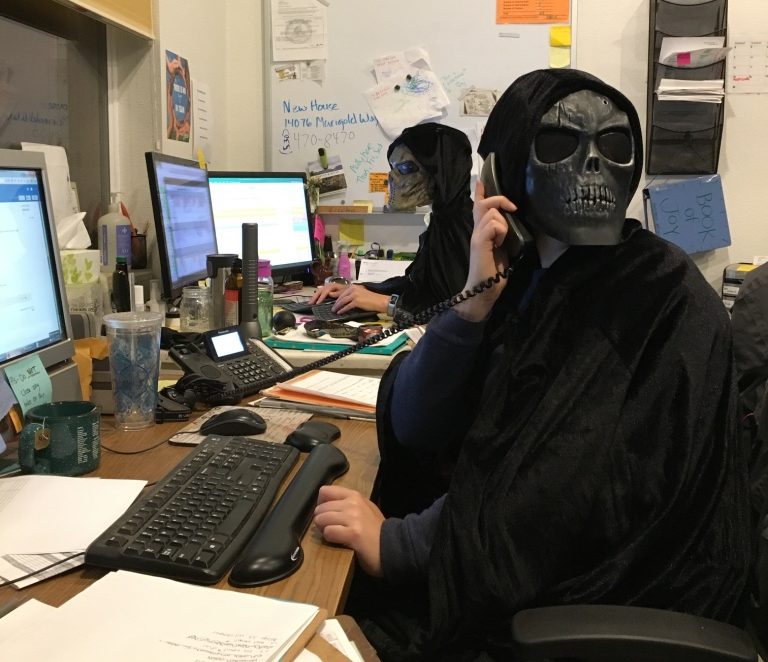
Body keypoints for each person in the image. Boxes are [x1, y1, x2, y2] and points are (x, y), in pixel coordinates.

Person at [312, 68, 751, 660]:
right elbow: (417, 428)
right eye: (561, 144)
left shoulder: (654, 295)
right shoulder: (532, 275)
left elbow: (557, 490)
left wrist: (400, 545)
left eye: (614, 146)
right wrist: (471, 307)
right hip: (518, 569)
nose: (593, 166)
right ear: (499, 171)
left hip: (600, 594)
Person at [308, 122, 474, 319]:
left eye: (405, 168)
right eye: (393, 168)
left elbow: (459, 310)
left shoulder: (462, 227)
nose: (391, 178)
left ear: (441, 170)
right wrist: (359, 289)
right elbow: (415, 284)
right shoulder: (442, 220)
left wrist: (387, 304)